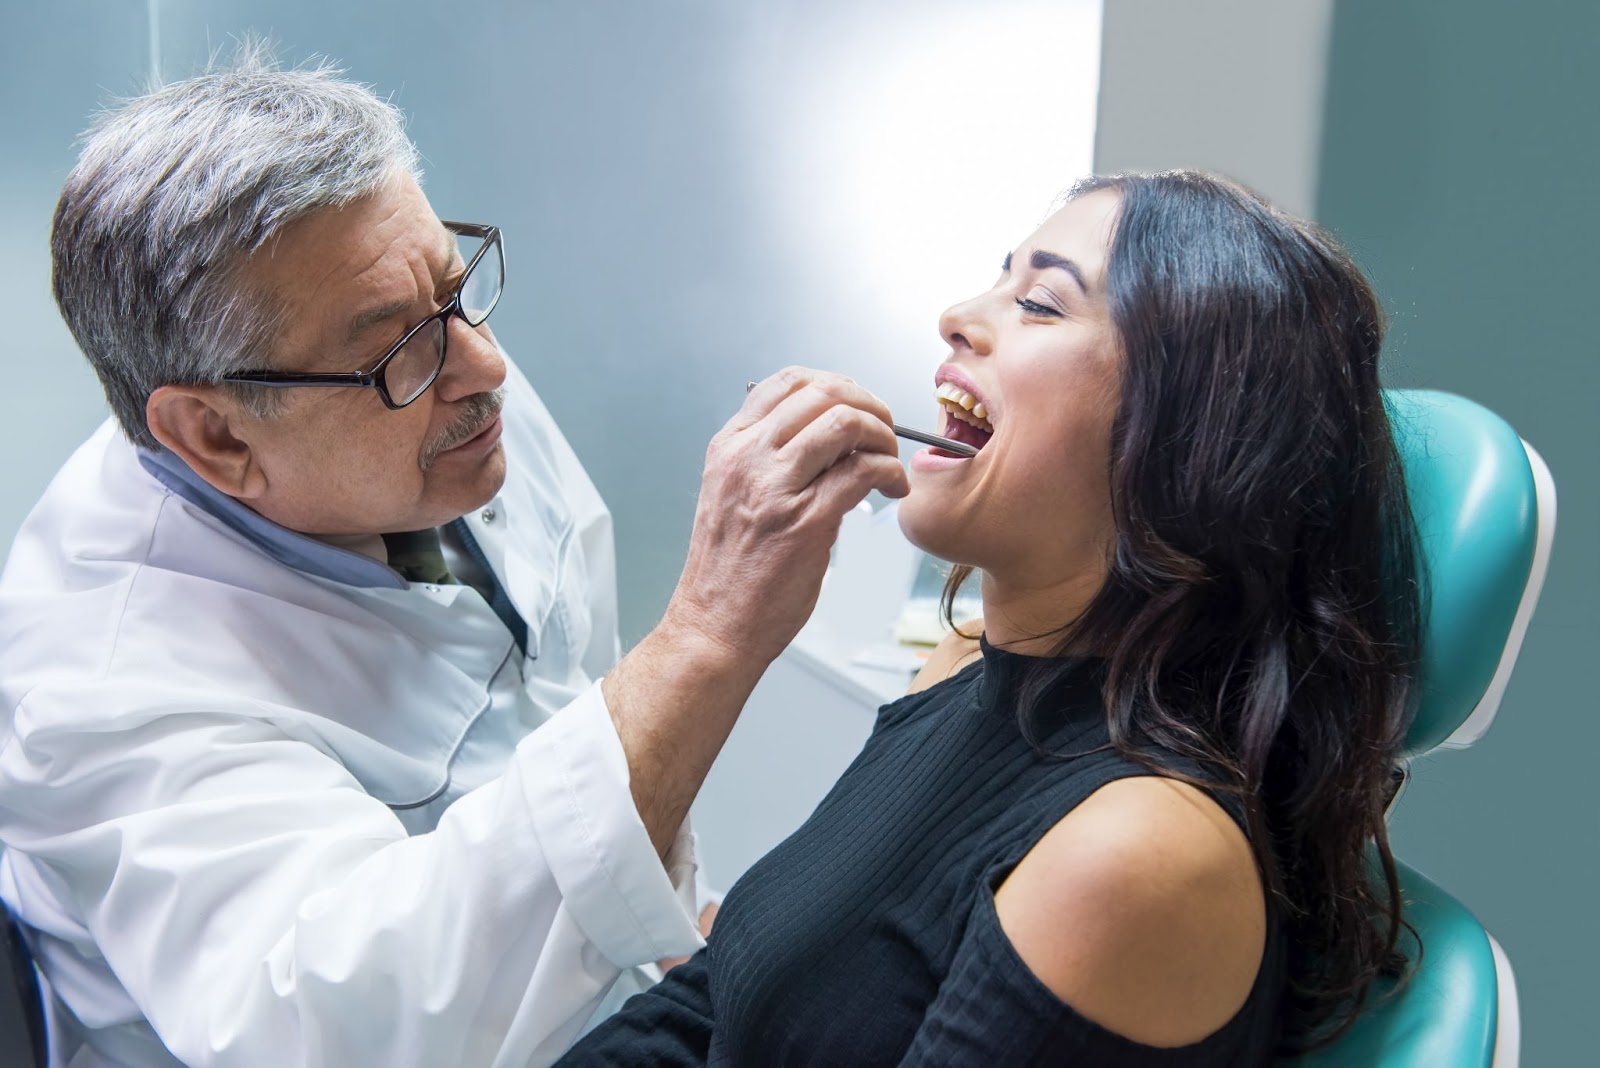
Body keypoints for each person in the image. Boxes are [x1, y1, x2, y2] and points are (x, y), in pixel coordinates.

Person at [0, 52, 910, 1068]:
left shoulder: (435, 390)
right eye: (398, 349)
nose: (482, 366)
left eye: (455, 284)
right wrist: (707, 636)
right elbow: (351, 1030)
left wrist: (669, 935)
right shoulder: (108, 694)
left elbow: (560, 675)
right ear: (214, 437)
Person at [557, 171, 1424, 1066]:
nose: (959, 315)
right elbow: (716, 1008)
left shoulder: (1136, 853)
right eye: (998, 280)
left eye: (1041, 304)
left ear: (1189, 438)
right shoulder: (964, 662)